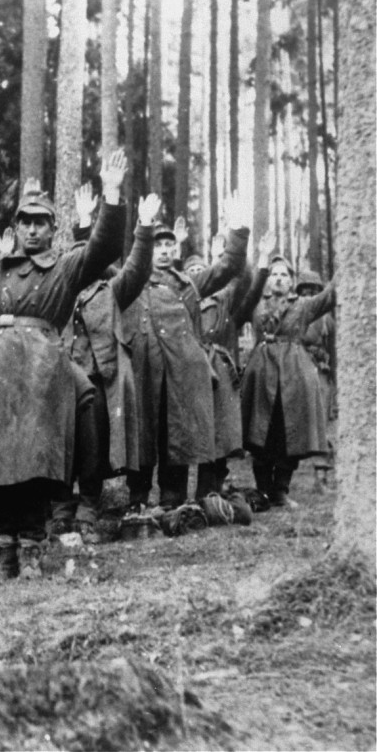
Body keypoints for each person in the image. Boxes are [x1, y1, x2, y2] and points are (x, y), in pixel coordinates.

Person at [0, 148, 129, 581]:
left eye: (42, 223)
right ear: (15, 227)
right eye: (26, 222)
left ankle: (33, 549)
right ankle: (4, 554)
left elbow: (105, 246)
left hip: (42, 374)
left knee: (38, 464)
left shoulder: (66, 267)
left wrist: (112, 195)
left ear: (53, 229)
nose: (33, 230)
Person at [51, 187, 158, 542]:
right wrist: (83, 224)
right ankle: (61, 510)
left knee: (93, 448)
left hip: (98, 379)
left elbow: (138, 269)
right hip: (62, 378)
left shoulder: (111, 290)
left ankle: (88, 512)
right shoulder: (60, 290)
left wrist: (144, 227)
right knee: (63, 445)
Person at [122, 211, 248, 512]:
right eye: (157, 245)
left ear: (175, 250)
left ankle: (171, 500)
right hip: (143, 368)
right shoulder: (132, 280)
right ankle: (137, 500)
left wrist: (236, 228)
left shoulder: (189, 283)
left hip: (179, 372)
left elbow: (228, 267)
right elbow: (96, 264)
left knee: (174, 434)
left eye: (168, 245)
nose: (164, 250)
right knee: (142, 434)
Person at [185, 203, 275, 498]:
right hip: (191, 368)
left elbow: (242, 280)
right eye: (193, 272)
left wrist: (256, 260)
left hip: (220, 372)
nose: (199, 275)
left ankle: (210, 490)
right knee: (192, 431)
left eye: (203, 270)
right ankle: (190, 493)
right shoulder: (182, 303)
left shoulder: (225, 301)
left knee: (220, 433)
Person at [241, 259, 336, 508]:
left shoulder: (303, 306)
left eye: (284, 274)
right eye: (274, 274)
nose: (279, 278)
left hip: (294, 375)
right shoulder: (256, 303)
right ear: (268, 279)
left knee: (288, 432)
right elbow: (241, 286)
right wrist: (258, 267)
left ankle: (280, 491)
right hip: (261, 373)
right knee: (260, 431)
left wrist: (347, 263)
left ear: (292, 281)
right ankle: (262, 490)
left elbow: (329, 296)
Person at [297, 270, 336, 493]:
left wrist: (333, 381)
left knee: (321, 425)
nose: (308, 295)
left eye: (313, 291)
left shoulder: (326, 320)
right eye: (304, 291)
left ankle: (321, 477)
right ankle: (276, 483)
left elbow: (333, 352)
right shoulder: (294, 313)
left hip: (320, 373)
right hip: (297, 372)